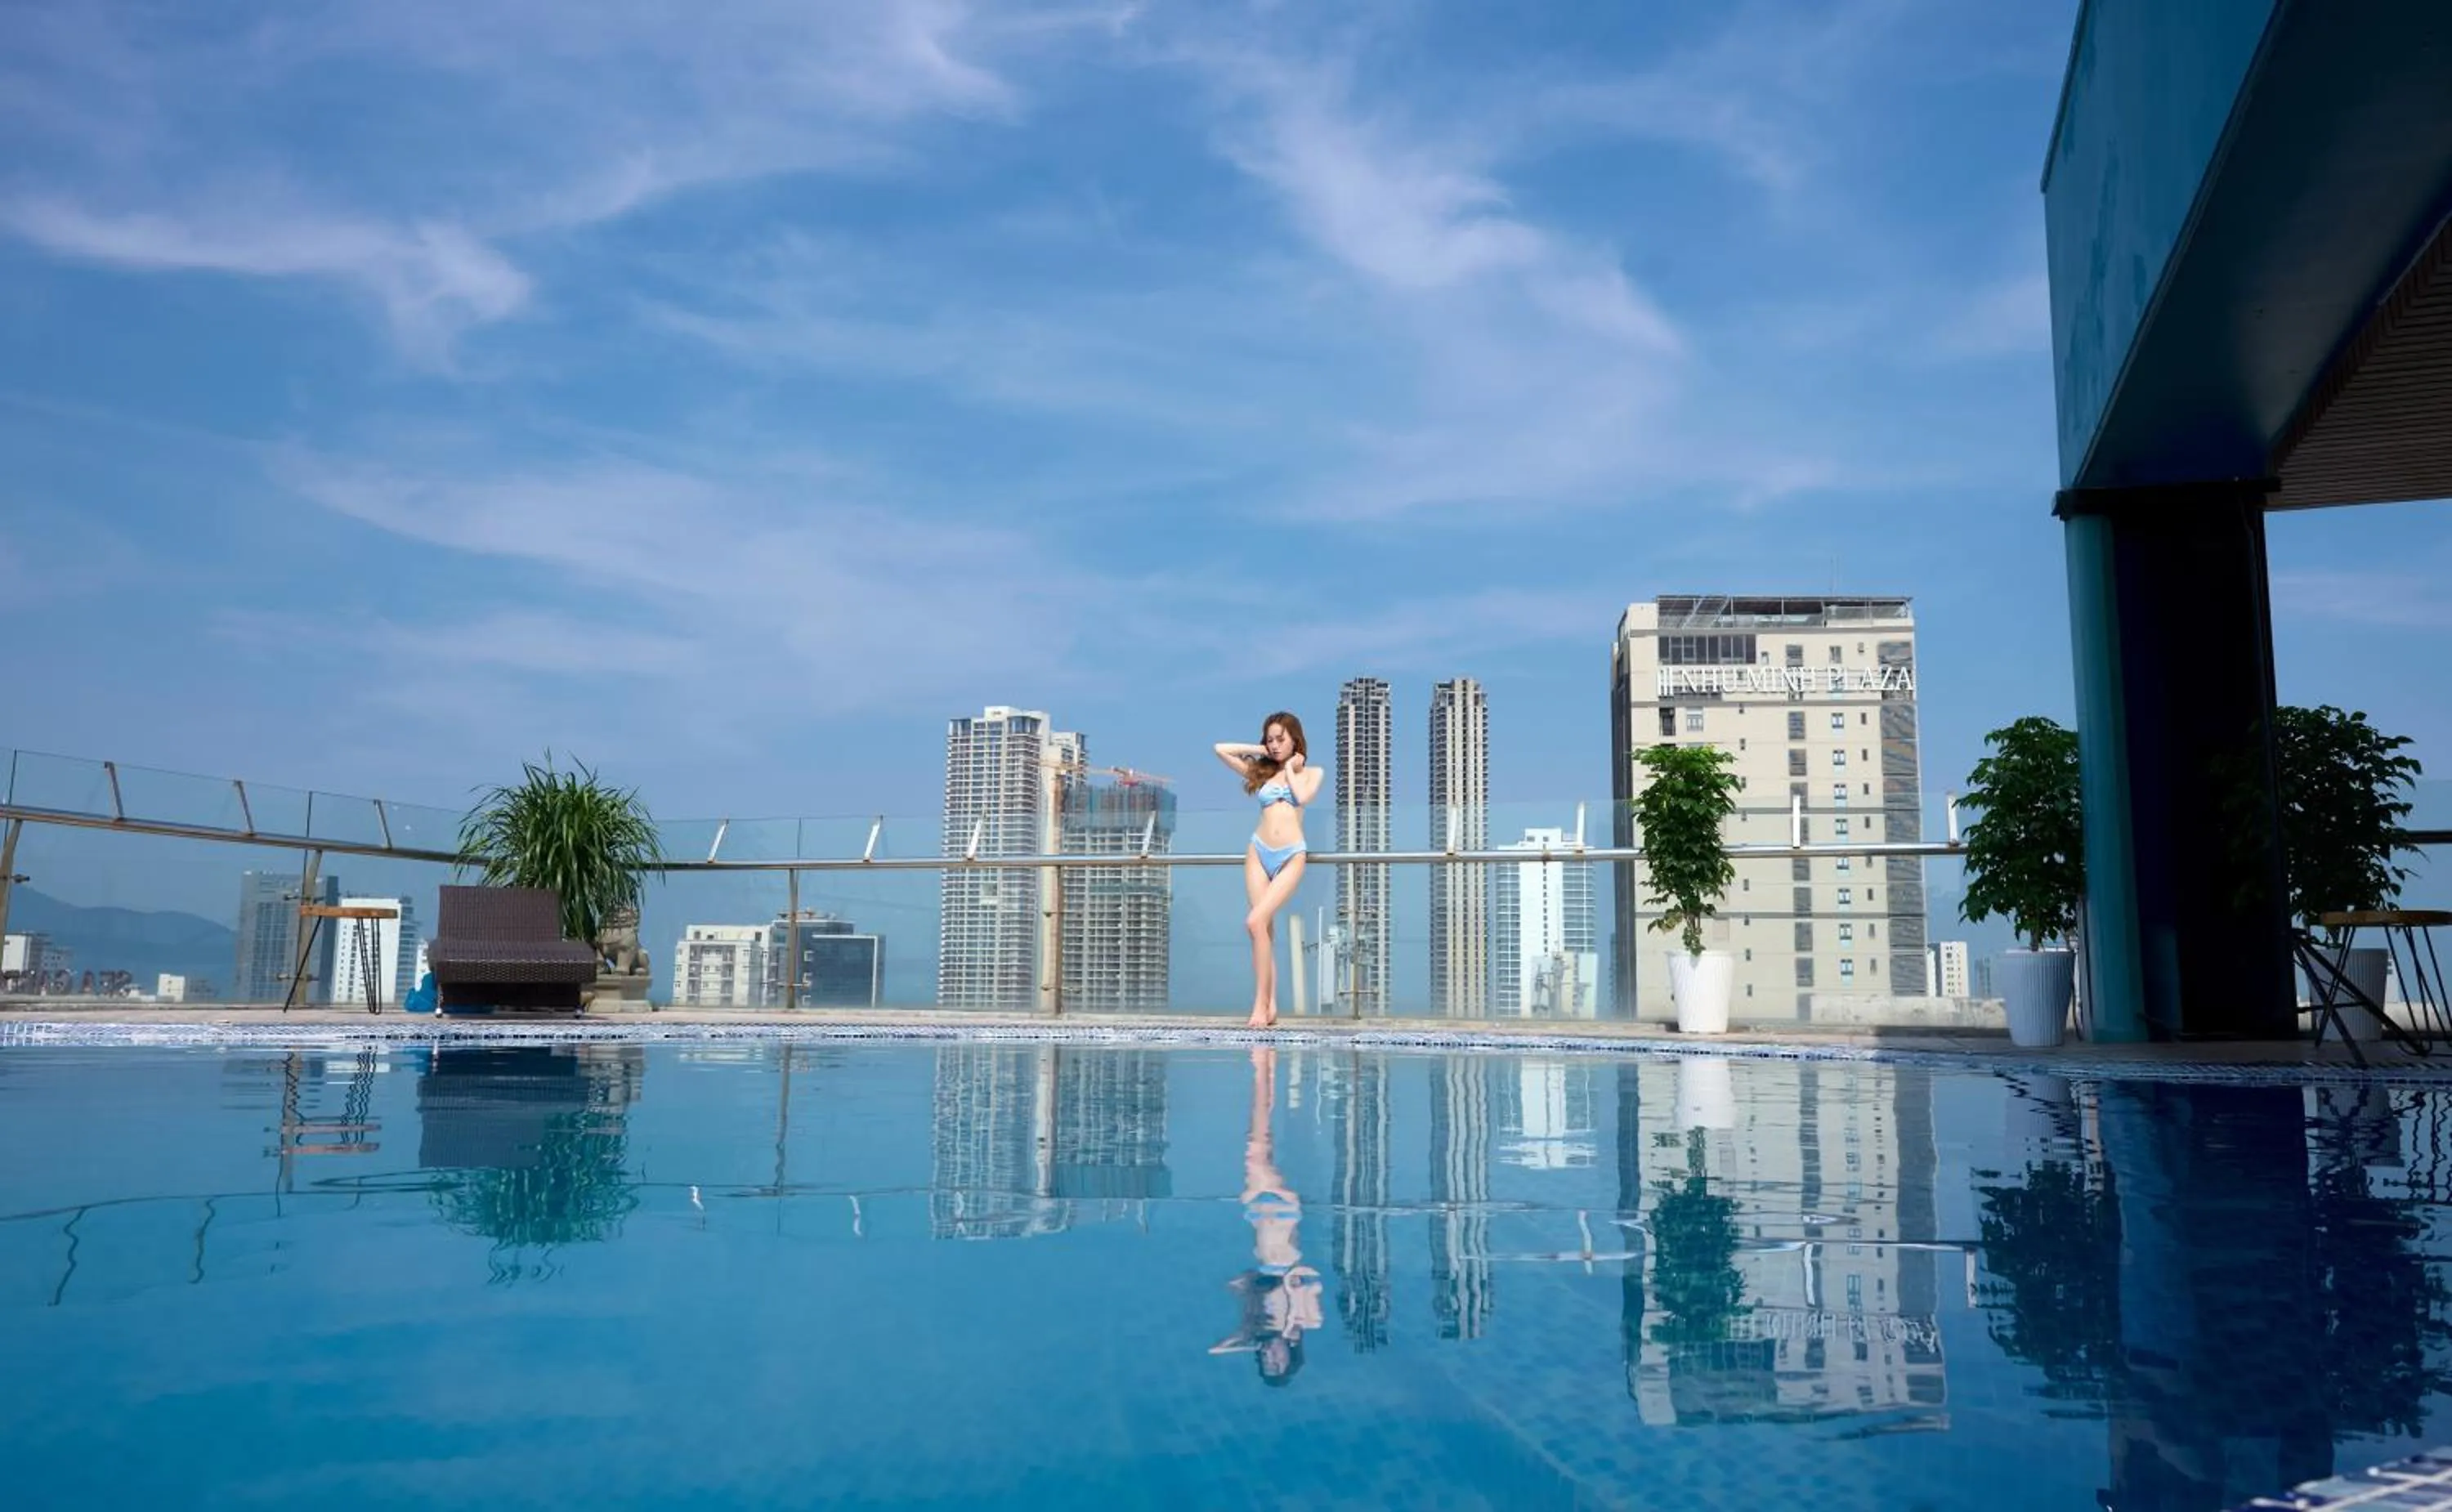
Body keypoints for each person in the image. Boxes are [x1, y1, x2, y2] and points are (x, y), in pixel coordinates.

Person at [1210, 1046, 1322, 1385]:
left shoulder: (1257, 1324)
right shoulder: (1303, 1322)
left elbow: (1218, 1348)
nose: (1270, 1356)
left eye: (1265, 1362)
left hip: (1262, 1217)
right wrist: (1288, 1326)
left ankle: (1265, 1069)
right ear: (1291, 1357)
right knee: (1257, 1147)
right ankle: (1262, 1068)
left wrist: (1249, 1337)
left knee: (1258, 1145)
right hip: (1281, 1220)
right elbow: (1302, 1277)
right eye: (1278, 1362)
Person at [1214, 711, 1323, 1029]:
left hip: (1291, 855)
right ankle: (1269, 1004)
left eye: (1280, 739)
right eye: (1270, 739)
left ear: (1295, 740)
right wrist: (1260, 751)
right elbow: (1220, 749)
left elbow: (1303, 797)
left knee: (1254, 921)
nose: (1275, 745)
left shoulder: (1312, 773)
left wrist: (1290, 768)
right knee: (1262, 931)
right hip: (1258, 851)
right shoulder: (1261, 772)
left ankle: (1259, 1007)